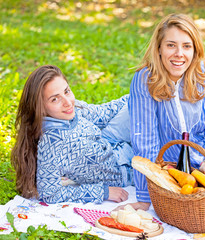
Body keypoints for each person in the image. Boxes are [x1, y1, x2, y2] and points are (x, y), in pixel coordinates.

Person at [124, 13, 205, 211]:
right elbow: (145, 142)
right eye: (171, 45)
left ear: (195, 50)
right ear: (159, 48)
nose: (179, 53)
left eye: (186, 46)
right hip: (178, 163)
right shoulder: (145, 79)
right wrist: (145, 198)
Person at [11, 65, 134, 204]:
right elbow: (49, 194)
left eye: (67, 91)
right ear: (40, 107)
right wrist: (103, 192)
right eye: (54, 99)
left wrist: (137, 97)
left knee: (148, 95)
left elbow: (101, 113)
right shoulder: (52, 142)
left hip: (115, 143)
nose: (67, 102)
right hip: (128, 170)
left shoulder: (70, 111)